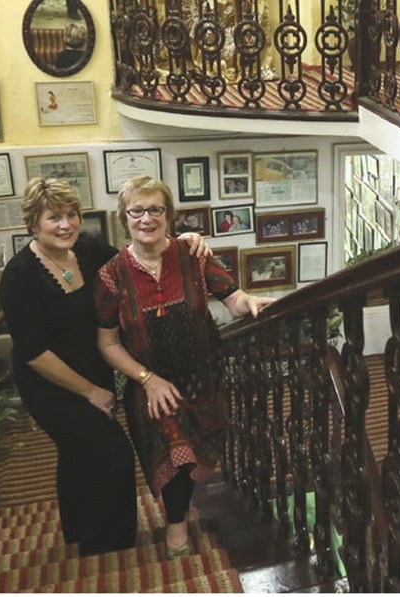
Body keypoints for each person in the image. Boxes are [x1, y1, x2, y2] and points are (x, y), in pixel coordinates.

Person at [0, 178, 211, 556]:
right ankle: (107, 545)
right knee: (112, 453)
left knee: (76, 453)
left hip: (94, 369)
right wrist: (90, 391)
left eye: (71, 215)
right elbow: (34, 352)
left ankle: (78, 529)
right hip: (51, 384)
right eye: (53, 218)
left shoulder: (88, 249)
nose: (66, 225)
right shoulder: (19, 276)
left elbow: (138, 258)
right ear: (33, 225)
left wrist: (187, 242)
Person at [95, 176, 275, 559]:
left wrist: (252, 301)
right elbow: (107, 343)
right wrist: (148, 379)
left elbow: (233, 298)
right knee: (177, 456)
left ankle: (183, 502)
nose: (147, 218)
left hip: (203, 380)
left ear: (169, 215)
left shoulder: (193, 255)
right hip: (152, 388)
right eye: (137, 211)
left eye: (155, 209)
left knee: (199, 454)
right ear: (123, 218)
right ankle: (176, 523)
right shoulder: (112, 275)